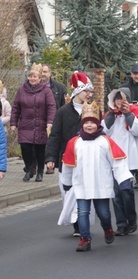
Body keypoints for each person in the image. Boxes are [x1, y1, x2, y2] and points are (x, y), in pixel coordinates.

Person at [61, 102, 132, 252]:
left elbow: (117, 161)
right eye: (86, 122)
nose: (89, 126)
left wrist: (124, 180)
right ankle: (85, 239)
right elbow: (68, 164)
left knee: (104, 213)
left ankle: (107, 228)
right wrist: (67, 182)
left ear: (97, 124)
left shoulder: (105, 141)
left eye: (92, 123)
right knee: (82, 212)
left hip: (101, 184)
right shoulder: (74, 143)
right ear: (82, 124)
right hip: (81, 184)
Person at [46, 72, 94, 236]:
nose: (89, 94)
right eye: (85, 91)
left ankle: (82, 223)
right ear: (77, 91)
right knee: (68, 191)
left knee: (85, 190)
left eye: (90, 92)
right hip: (67, 159)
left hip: (87, 158)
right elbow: (55, 135)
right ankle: (75, 223)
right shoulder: (62, 112)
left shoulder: (92, 110)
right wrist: (51, 157)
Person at [103, 88, 138, 235]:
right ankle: (121, 224)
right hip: (114, 159)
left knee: (126, 190)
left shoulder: (134, 112)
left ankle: (131, 218)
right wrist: (112, 114)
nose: (118, 102)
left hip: (129, 158)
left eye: (121, 99)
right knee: (116, 193)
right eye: (116, 99)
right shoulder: (111, 115)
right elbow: (104, 130)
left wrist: (128, 113)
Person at [10, 63, 56, 182]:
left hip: (41, 124)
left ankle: (40, 171)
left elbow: (51, 107)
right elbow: (16, 107)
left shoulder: (46, 90)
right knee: (25, 148)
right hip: (26, 124)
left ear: (40, 78)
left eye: (35, 76)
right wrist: (13, 122)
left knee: (40, 149)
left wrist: (50, 122)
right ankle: (29, 169)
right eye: (30, 76)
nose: (32, 78)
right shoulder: (21, 90)